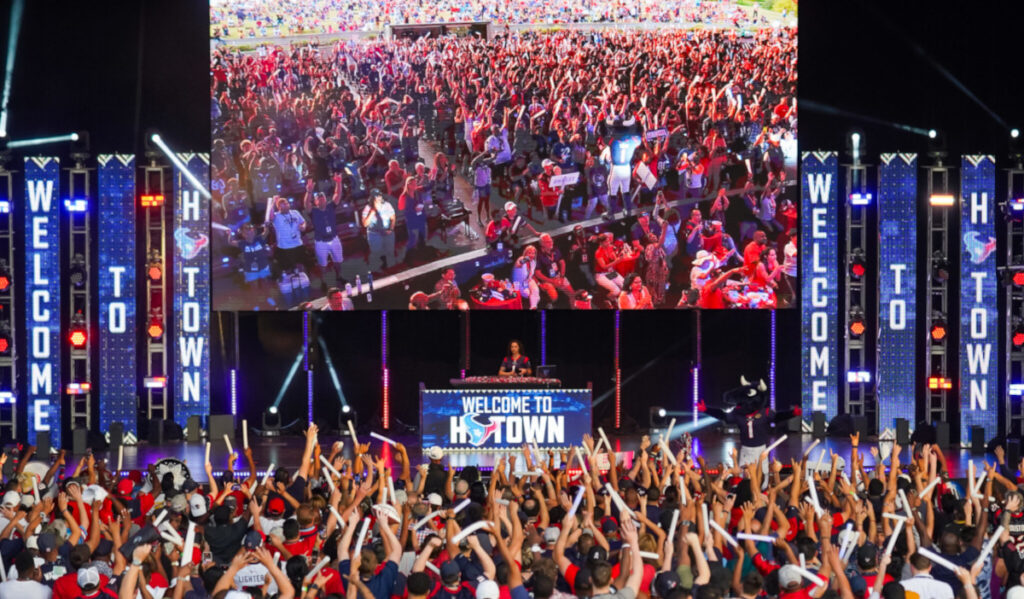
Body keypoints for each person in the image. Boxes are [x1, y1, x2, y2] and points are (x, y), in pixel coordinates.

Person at [303, 177, 345, 285]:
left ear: (326, 199)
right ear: (315, 202)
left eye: (323, 197)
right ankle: (323, 281)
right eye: (319, 198)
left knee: (338, 261)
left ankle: (339, 276)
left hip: (334, 238)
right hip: (321, 242)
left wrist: (339, 183)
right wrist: (309, 191)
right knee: (323, 264)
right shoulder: (313, 211)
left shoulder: (331, 206)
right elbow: (306, 204)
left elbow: (337, 194)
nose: (321, 199)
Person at [361, 189, 397, 273]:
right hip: (374, 234)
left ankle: (391, 268)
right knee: (377, 253)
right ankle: (378, 270)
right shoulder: (367, 208)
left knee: (390, 251)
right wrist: (372, 212)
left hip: (387, 232)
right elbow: (365, 224)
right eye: (376, 196)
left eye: (379, 195)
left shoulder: (387, 205)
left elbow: (393, 218)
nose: (378, 198)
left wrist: (391, 229)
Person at [270, 197, 308, 272]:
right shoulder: (276, 216)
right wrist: (273, 202)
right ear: (279, 207)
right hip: (285, 247)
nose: (286, 205)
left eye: (286, 203)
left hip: (298, 244)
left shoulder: (295, 212)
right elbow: (270, 216)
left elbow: (303, 221)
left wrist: (303, 226)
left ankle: (304, 282)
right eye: (283, 204)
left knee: (302, 266)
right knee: (287, 269)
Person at [535, 234, 573, 306]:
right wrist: (552, 281)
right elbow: (537, 274)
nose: (551, 242)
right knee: (554, 297)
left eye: (551, 240)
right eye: (548, 242)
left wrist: (561, 277)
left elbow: (562, 263)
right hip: (546, 279)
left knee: (572, 294)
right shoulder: (538, 255)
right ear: (542, 244)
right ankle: (548, 303)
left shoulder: (555, 249)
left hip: (558, 276)